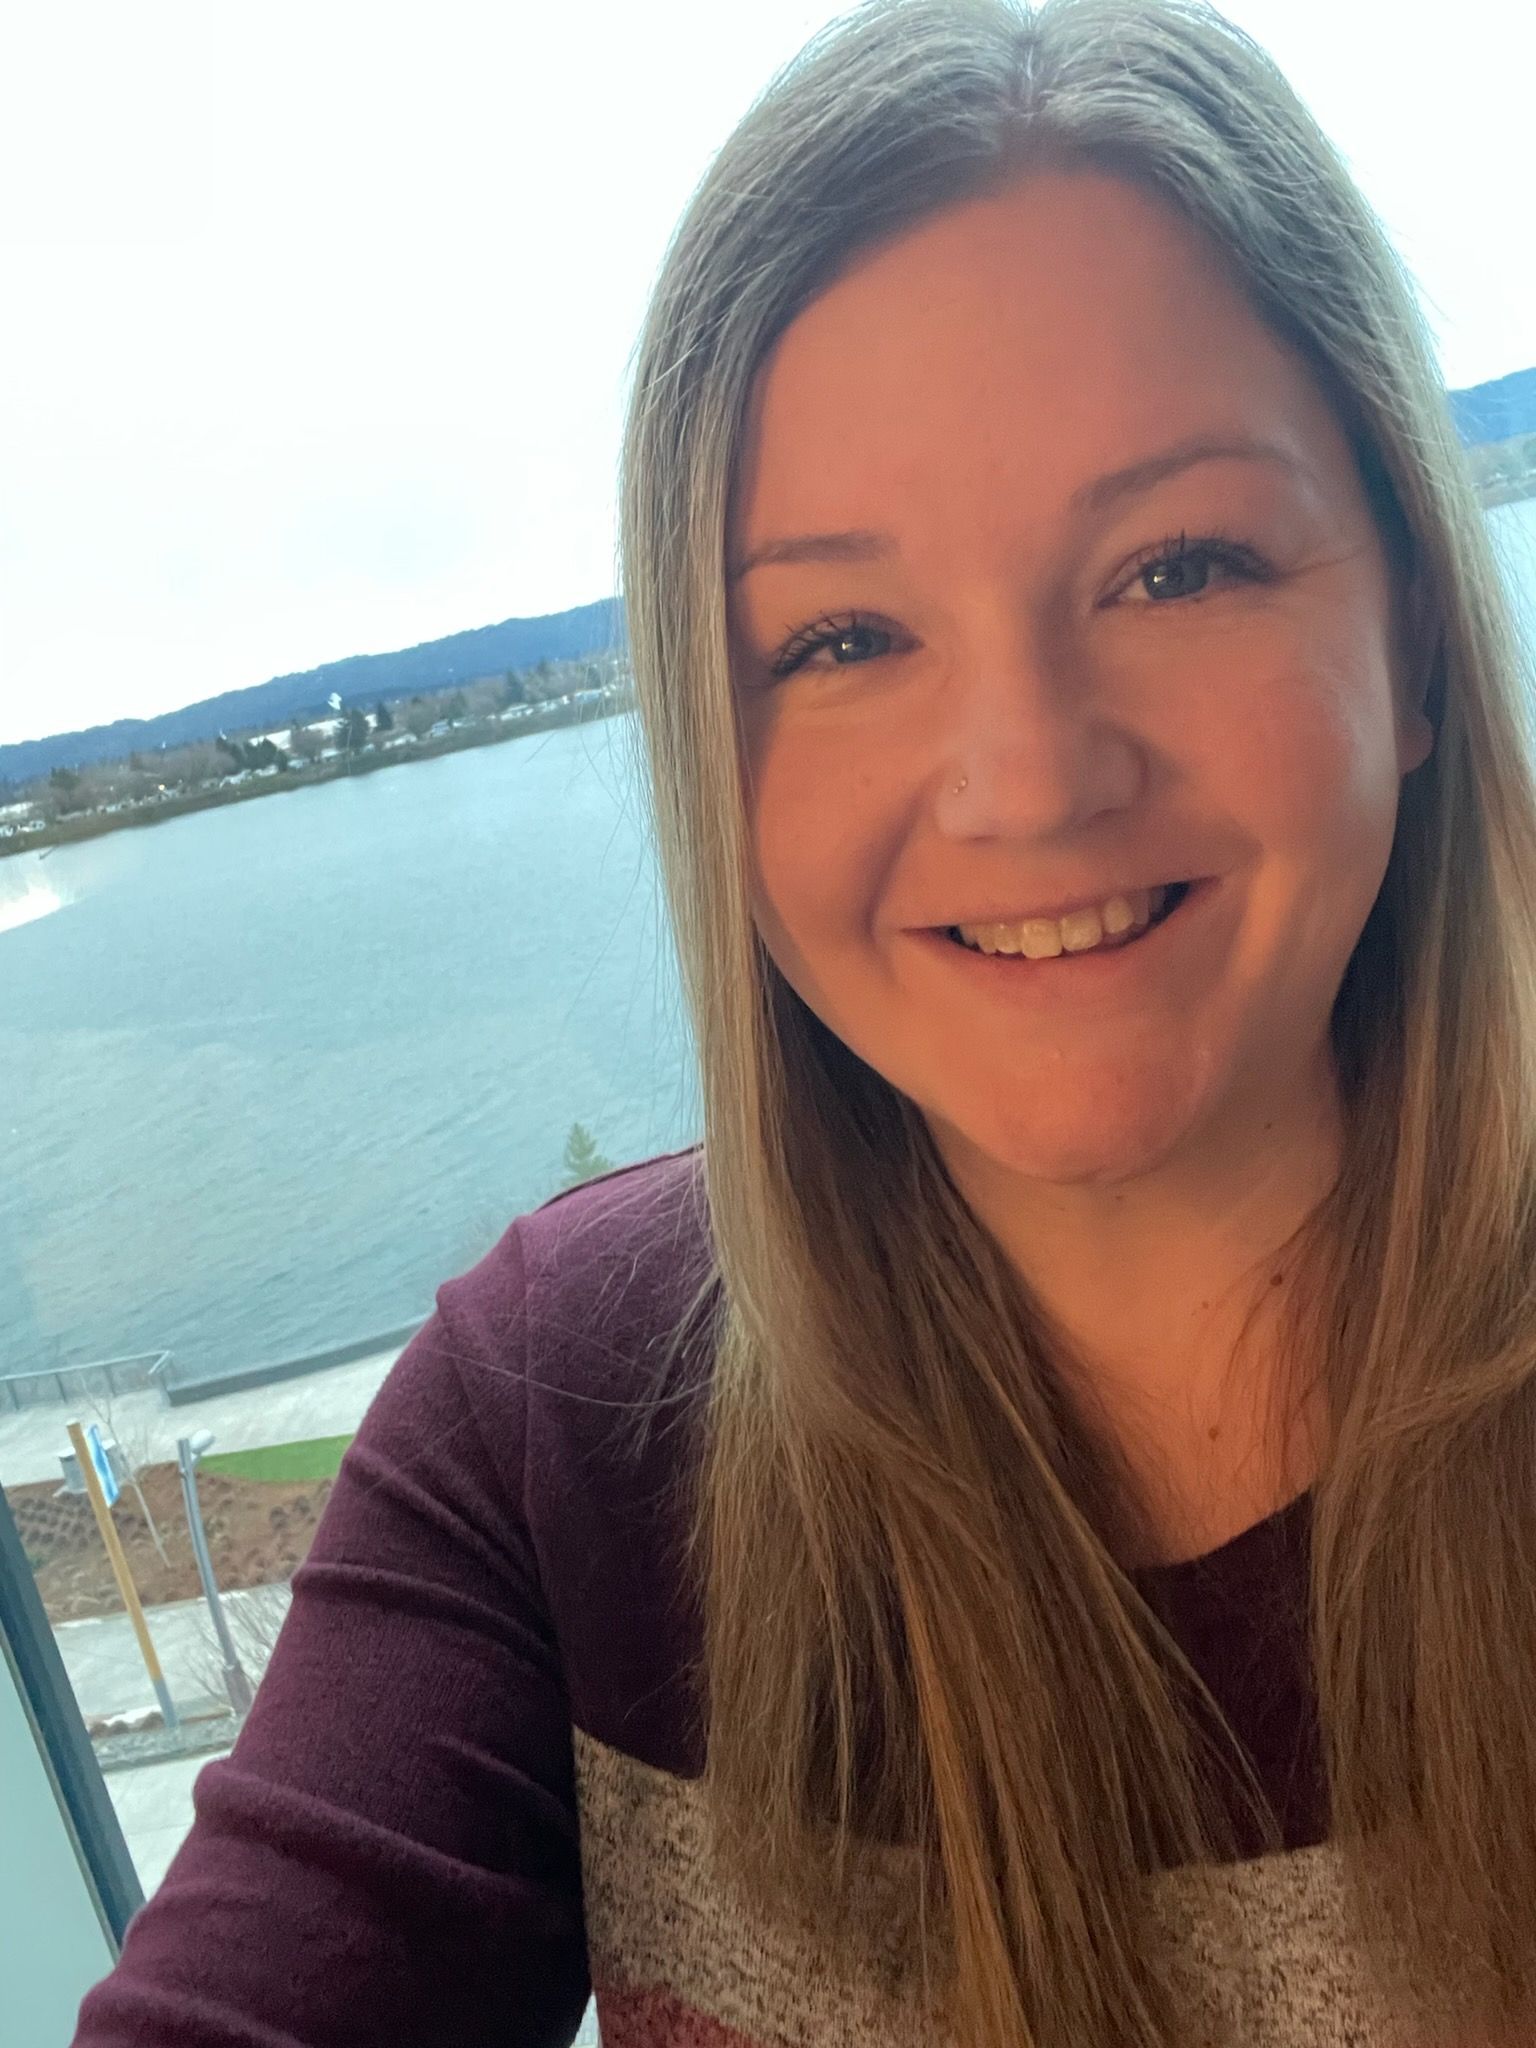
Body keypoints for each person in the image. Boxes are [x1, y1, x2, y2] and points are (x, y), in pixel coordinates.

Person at [70, 1, 1536, 2043]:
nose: (1025, 781)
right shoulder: (558, 1421)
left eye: (1178, 563)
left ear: (1422, 644)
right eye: (842, 635)